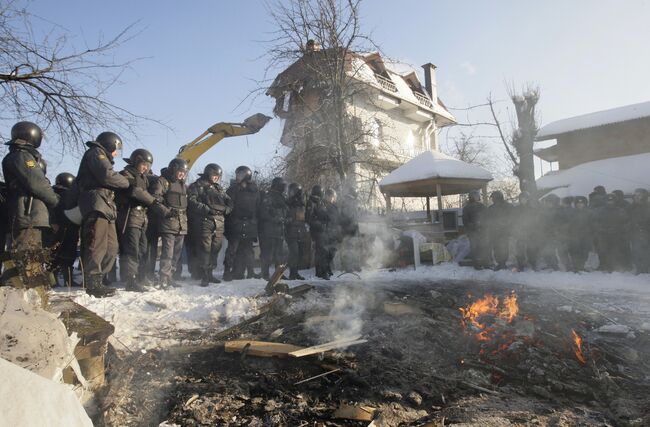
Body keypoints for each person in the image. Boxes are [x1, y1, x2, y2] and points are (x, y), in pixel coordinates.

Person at [76, 132, 130, 297]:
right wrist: (126, 182)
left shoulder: (102, 156)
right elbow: (107, 175)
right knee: (96, 244)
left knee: (112, 247)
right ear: (110, 144)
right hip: (96, 202)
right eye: (116, 149)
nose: (116, 153)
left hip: (106, 204)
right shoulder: (95, 153)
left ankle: (100, 276)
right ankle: (92, 281)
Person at [2, 121, 60, 253]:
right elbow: (38, 183)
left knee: (27, 259)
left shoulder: (18, 155)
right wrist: (57, 202)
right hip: (28, 215)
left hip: (28, 215)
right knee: (27, 260)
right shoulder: (22, 156)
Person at [117, 149, 156, 292]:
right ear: (136, 161)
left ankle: (141, 276)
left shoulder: (144, 178)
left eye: (148, 166)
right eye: (144, 164)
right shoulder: (126, 174)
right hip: (129, 215)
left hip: (142, 217)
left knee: (143, 249)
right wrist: (153, 201)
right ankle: (130, 279)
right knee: (131, 249)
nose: (146, 168)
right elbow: (134, 191)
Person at [188, 163, 232, 286]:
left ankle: (210, 273)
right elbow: (191, 201)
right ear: (208, 174)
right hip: (204, 221)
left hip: (219, 222)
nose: (216, 178)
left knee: (215, 249)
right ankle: (204, 275)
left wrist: (227, 209)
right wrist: (206, 209)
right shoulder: (197, 186)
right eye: (214, 175)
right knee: (205, 248)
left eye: (218, 176)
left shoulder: (219, 189)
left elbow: (229, 201)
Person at [150, 158, 189, 288]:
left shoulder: (183, 184)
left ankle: (170, 276)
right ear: (173, 169)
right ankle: (163, 278)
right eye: (180, 172)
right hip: (168, 222)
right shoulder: (163, 181)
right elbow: (155, 199)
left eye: (184, 172)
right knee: (168, 252)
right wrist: (166, 212)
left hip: (181, 222)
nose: (182, 174)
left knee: (177, 253)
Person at [223, 166, 260, 281]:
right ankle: (227, 272)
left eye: (240, 174)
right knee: (232, 249)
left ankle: (251, 272)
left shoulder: (255, 190)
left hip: (249, 224)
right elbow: (227, 207)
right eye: (237, 174)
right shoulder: (232, 190)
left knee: (248, 249)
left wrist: (255, 223)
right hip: (236, 223)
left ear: (246, 175)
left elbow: (258, 208)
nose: (237, 176)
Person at [51, 172, 80, 287]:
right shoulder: (69, 195)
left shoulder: (52, 193)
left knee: (54, 254)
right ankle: (68, 280)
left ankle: (53, 280)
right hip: (69, 227)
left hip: (56, 228)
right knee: (68, 256)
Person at [258, 177, 288, 280]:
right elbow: (264, 213)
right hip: (268, 230)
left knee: (279, 254)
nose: (284, 188)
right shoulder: (268, 196)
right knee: (267, 253)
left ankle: (278, 274)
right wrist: (276, 218)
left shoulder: (282, 197)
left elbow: (285, 211)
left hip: (279, 230)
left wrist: (284, 218)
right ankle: (264, 274)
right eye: (282, 185)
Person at [594, 193, 629, 272]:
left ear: (615, 201)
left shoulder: (620, 211)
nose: (610, 202)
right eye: (608, 201)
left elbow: (625, 222)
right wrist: (602, 229)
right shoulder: (599, 211)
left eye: (612, 201)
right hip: (602, 234)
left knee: (615, 250)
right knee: (602, 250)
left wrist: (618, 229)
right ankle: (603, 265)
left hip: (616, 234)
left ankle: (613, 266)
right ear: (605, 201)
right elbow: (595, 222)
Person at [285, 183, 309, 280]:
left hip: (300, 231)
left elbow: (304, 218)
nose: (290, 193)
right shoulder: (287, 203)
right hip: (291, 231)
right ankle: (292, 273)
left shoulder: (302, 204)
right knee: (293, 252)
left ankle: (295, 272)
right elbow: (286, 216)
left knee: (299, 253)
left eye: (292, 191)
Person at [307, 185, 329, 279]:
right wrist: (320, 224)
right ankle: (321, 272)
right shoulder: (312, 202)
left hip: (322, 230)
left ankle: (321, 271)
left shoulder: (320, 202)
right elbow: (309, 218)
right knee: (321, 251)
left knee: (322, 251)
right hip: (317, 231)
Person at [485, 191, 512, 270]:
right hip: (494, 232)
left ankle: (503, 263)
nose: (492, 199)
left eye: (493, 198)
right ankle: (499, 263)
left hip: (504, 231)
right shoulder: (491, 208)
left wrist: (505, 224)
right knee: (496, 248)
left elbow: (512, 217)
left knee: (504, 247)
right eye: (492, 198)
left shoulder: (508, 206)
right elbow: (488, 220)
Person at [462, 190, 487, 270]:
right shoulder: (467, 208)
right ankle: (476, 264)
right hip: (472, 232)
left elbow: (487, 217)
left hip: (482, 231)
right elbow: (465, 221)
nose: (476, 198)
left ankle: (485, 262)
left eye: (477, 196)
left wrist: (482, 224)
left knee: (483, 247)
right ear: (471, 197)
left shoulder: (482, 206)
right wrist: (473, 225)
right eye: (474, 196)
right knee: (474, 247)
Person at [567, 196, 593, 272]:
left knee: (584, 252)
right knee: (574, 251)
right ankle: (575, 267)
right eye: (578, 203)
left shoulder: (589, 212)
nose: (580, 204)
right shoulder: (571, 213)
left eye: (582, 203)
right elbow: (568, 224)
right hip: (574, 236)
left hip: (586, 235)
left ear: (585, 204)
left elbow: (592, 224)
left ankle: (581, 266)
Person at [338, 188, 361, 273]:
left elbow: (355, 216)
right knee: (348, 249)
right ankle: (348, 266)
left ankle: (355, 265)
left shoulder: (353, 202)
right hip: (347, 229)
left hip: (353, 228)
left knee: (354, 248)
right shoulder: (346, 203)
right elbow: (344, 217)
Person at [628, 188, 650, 274]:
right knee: (636, 251)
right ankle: (639, 268)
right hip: (635, 233)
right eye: (636, 195)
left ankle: (645, 268)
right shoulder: (630, 207)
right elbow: (625, 219)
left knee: (647, 251)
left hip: (647, 233)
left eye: (640, 195)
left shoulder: (648, 207)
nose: (638, 197)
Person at [323, 188, 341, 278]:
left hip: (334, 231)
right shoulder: (323, 205)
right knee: (326, 253)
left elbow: (337, 219)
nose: (333, 198)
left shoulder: (334, 206)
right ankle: (325, 270)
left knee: (332, 252)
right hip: (326, 232)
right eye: (331, 197)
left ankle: (328, 268)